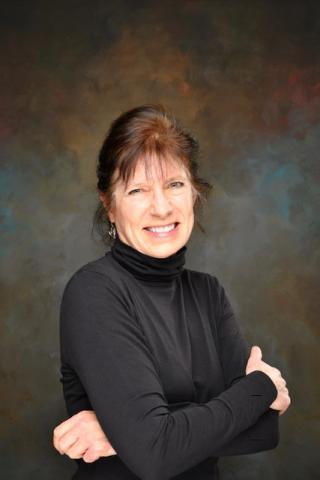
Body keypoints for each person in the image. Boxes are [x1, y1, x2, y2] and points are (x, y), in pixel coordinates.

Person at [53, 104, 291, 479]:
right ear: (109, 206)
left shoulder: (208, 293)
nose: (161, 208)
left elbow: (264, 431)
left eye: (175, 184)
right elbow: (156, 454)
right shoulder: (93, 293)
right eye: (137, 190)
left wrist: (121, 436)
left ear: (194, 191)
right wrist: (261, 387)